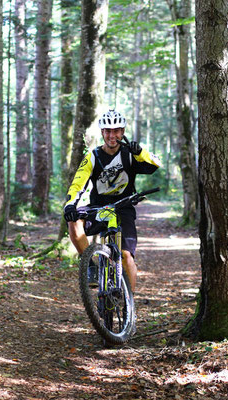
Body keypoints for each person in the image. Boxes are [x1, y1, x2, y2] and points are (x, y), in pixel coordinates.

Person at [63, 109, 161, 293]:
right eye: (108, 131)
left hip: (124, 207)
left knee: (125, 256)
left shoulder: (130, 154)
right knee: (73, 220)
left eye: (116, 130)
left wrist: (140, 153)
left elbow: (154, 165)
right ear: (102, 132)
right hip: (99, 207)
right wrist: (70, 204)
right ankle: (90, 265)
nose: (112, 135)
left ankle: (129, 305)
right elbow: (78, 182)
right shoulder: (93, 156)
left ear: (122, 132)